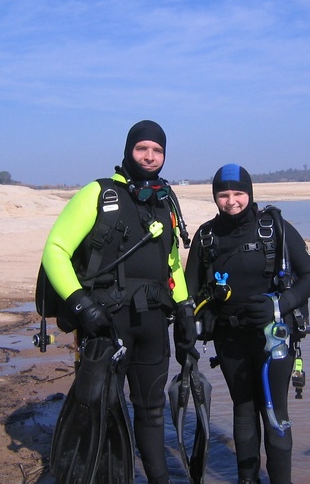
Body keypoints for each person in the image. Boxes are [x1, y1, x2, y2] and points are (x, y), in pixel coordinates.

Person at [42, 120, 197, 484]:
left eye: (157, 150)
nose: (150, 156)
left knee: (152, 411)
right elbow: (55, 250)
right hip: (106, 322)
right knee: (100, 409)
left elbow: (172, 263)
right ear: (129, 150)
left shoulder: (165, 200)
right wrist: (82, 305)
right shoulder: (99, 193)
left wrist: (186, 308)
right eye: (142, 148)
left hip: (154, 323)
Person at [184, 164, 310, 484]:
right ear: (215, 197)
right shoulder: (207, 237)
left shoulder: (274, 228)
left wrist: (280, 303)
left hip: (273, 339)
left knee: (275, 415)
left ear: (250, 192)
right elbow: (190, 293)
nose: (231, 201)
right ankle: (247, 480)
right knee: (243, 409)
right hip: (230, 340)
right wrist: (185, 328)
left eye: (238, 193)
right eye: (223, 195)